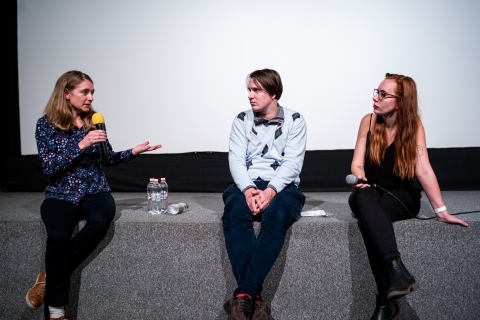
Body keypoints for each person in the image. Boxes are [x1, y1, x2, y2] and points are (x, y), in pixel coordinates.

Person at [25, 70, 161, 320]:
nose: (90, 97)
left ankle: (50, 276)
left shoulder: (95, 120)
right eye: (84, 92)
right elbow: (49, 167)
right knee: (58, 237)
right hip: (62, 191)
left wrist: (134, 151)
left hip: (95, 189)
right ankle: (57, 312)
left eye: (92, 92)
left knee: (101, 218)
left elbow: (106, 158)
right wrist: (81, 145)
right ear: (67, 94)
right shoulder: (45, 124)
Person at [348, 73, 468, 320]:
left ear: (401, 101)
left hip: (402, 196)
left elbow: (423, 168)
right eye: (376, 91)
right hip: (368, 192)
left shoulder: (413, 125)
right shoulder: (368, 121)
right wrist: (361, 178)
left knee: (367, 220)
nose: (375, 97)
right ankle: (396, 271)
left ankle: (385, 300)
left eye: (383, 94)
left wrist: (441, 210)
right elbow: (357, 164)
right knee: (364, 198)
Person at [222, 69, 307, 320]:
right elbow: (236, 160)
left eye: (256, 90)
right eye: (249, 89)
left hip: (281, 185)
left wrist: (270, 192)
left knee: (277, 214)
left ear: (273, 93)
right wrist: (248, 190)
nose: (250, 95)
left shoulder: (296, 119)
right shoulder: (241, 119)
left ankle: (244, 294)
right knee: (234, 213)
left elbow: (292, 163)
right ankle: (254, 298)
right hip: (246, 182)